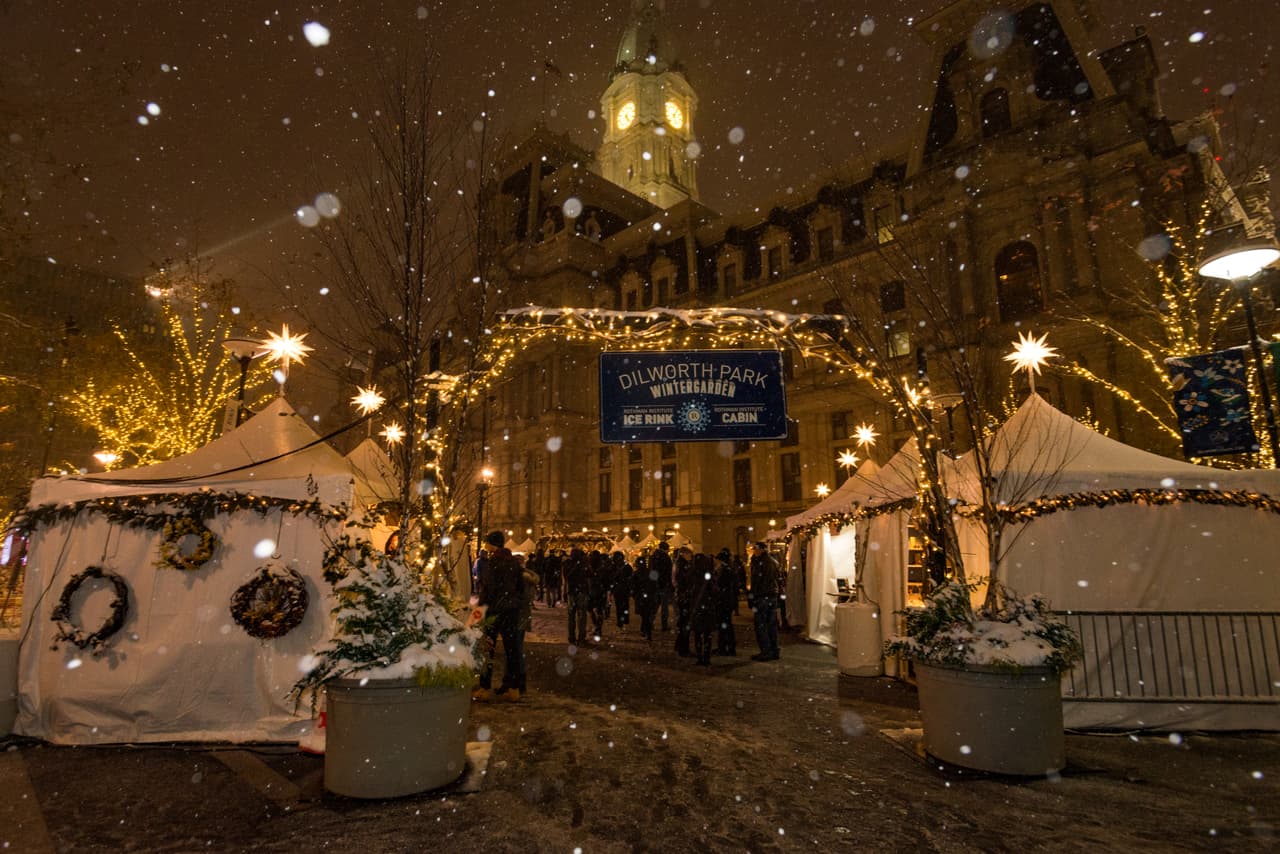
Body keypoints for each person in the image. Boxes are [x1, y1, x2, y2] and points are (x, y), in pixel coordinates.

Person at [473, 531, 526, 701]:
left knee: (488, 649)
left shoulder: (493, 562)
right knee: (512, 651)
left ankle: (485, 687)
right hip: (511, 612)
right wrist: (514, 602)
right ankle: (513, 689)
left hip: (494, 612)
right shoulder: (514, 563)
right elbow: (521, 588)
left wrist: (480, 609)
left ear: (492, 545)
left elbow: (488, 589)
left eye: (487, 543)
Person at [748, 541, 781, 661]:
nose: (754, 551)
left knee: (761, 625)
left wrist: (753, 596)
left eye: (755, 549)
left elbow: (757, 581)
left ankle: (766, 651)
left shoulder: (761, 562)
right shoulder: (772, 561)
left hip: (763, 596)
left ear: (761, 549)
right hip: (771, 595)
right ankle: (774, 649)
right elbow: (777, 579)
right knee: (771, 625)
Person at [689, 553, 719, 665]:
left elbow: (689, 592)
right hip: (707, 608)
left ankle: (699, 657)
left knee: (697, 634)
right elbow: (715, 592)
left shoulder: (692, 575)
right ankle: (706, 657)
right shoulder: (708, 575)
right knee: (707, 635)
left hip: (696, 608)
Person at [713, 548, 738, 656]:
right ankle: (726, 646)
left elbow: (722, 586)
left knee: (725, 625)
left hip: (724, 601)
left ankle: (725, 647)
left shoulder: (725, 570)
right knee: (726, 625)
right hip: (727, 601)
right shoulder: (729, 569)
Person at [564, 547, 590, 645]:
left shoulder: (567, 563)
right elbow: (590, 574)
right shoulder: (583, 564)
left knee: (571, 616)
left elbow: (566, 576)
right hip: (581, 591)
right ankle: (581, 638)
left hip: (572, 592)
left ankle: (572, 637)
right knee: (581, 616)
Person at [672, 545, 695, 657]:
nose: (691, 556)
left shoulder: (678, 564)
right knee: (685, 622)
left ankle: (680, 645)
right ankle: (683, 648)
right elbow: (682, 581)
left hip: (681, 596)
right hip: (684, 596)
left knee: (683, 621)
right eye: (689, 554)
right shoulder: (683, 565)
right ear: (683, 554)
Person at [632, 554, 658, 641]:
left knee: (645, 614)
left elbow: (633, 586)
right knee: (646, 614)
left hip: (642, 597)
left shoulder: (636, 573)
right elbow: (655, 585)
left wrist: (635, 595)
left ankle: (646, 630)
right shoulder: (650, 572)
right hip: (648, 596)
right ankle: (646, 629)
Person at [651, 541, 674, 631]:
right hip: (664, 585)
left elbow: (652, 571)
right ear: (666, 549)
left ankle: (650, 622)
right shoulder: (666, 557)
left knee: (655, 605)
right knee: (664, 606)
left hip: (656, 584)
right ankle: (664, 625)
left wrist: (653, 582)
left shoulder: (653, 557)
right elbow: (668, 572)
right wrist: (669, 583)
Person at [610, 551, 632, 629]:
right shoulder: (623, 567)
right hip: (621, 589)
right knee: (622, 605)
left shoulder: (624, 567)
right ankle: (622, 620)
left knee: (621, 605)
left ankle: (622, 620)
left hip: (621, 589)